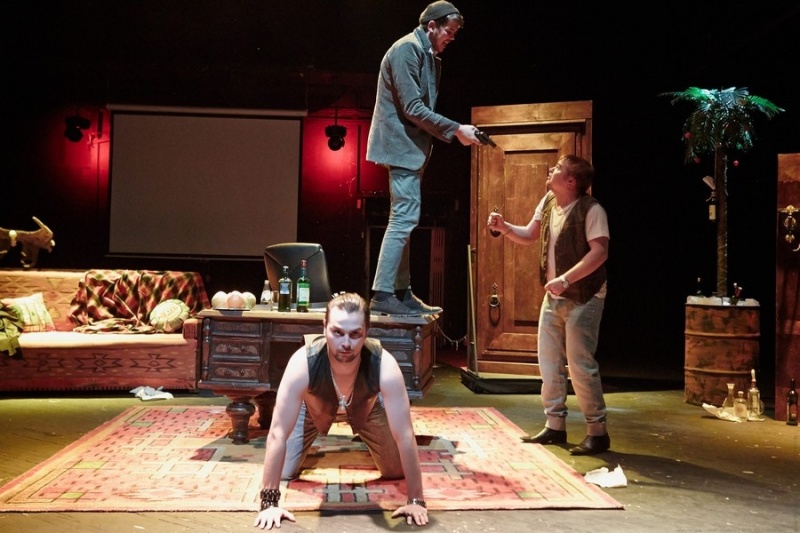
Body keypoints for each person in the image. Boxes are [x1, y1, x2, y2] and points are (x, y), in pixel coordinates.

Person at [253, 292, 429, 529]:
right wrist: (269, 504)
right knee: (284, 472)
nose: (346, 343)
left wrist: (416, 501)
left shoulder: (383, 364)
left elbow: (405, 435)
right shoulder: (303, 362)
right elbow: (277, 433)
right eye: (337, 332)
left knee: (394, 470)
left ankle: (367, 438)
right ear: (324, 327)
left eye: (355, 334)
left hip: (367, 406)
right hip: (313, 406)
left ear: (366, 332)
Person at [486, 155, 611, 456]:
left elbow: (600, 253)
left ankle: (597, 432)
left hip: (584, 297)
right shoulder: (549, 201)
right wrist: (505, 227)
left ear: (570, 181)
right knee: (549, 362)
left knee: (580, 365)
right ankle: (555, 425)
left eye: (558, 168)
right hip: (554, 297)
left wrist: (565, 280)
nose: (551, 170)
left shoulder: (591, 210)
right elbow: (530, 235)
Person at [366, 0, 482, 316]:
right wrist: (456, 129)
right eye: (449, 31)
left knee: (405, 218)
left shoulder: (425, 54)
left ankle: (401, 292)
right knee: (403, 218)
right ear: (432, 25)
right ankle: (383, 293)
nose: (452, 37)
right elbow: (413, 107)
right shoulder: (407, 49)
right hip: (400, 147)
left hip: (409, 149)